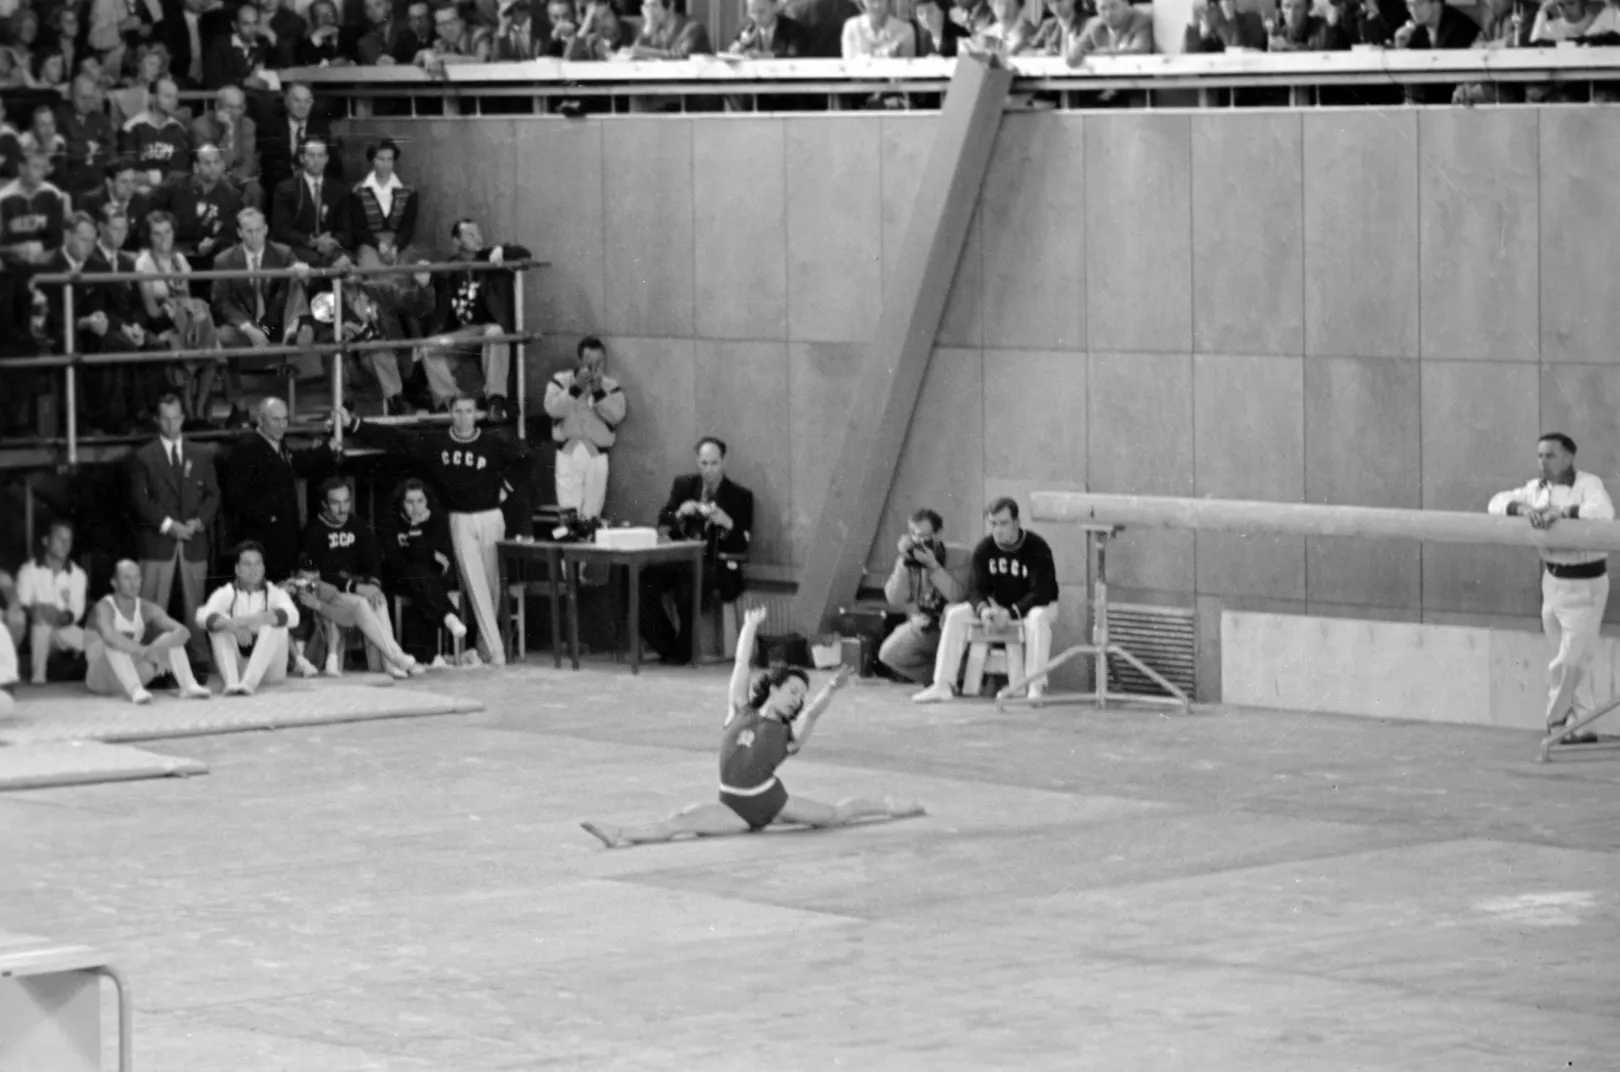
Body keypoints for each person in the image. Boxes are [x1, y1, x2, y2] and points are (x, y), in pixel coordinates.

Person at [580, 607, 924, 849]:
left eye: (800, 697)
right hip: (733, 808)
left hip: (772, 803)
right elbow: (742, 664)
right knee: (679, 822)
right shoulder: (738, 710)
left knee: (835, 815)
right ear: (772, 688)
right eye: (791, 692)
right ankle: (619, 833)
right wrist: (749, 628)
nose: (796, 701)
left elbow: (814, 715)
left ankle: (890, 806)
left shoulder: (788, 735)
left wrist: (831, 689)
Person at [337, 397, 530, 667]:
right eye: (458, 412)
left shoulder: (492, 442)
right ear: (451, 414)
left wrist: (505, 490)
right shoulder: (439, 443)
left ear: (477, 414)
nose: (464, 417)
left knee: (492, 585)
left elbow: (525, 458)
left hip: (491, 516)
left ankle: (486, 647)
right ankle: (496, 651)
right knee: (475, 585)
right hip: (460, 518)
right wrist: (355, 425)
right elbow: (397, 438)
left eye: (469, 411)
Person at [1487, 433, 1615, 742]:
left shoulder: (1589, 484)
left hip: (1585, 583)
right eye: (1540, 456)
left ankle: (1556, 723)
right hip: (1553, 581)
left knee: (1567, 660)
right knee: (1571, 657)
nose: (1544, 462)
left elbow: (1603, 513)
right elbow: (1495, 503)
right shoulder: (1534, 489)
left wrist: (1563, 514)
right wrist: (1522, 510)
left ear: (1569, 457)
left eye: (1551, 456)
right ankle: (1583, 725)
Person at [912, 497, 1059, 704]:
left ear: (1017, 522)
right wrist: (984, 611)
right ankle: (942, 685)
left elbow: (1042, 592)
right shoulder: (985, 549)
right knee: (955, 614)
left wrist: (1011, 613)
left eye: (1003, 523)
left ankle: (1035, 687)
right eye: (994, 524)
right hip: (996, 606)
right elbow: (976, 589)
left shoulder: (1037, 547)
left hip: (1036, 606)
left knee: (1038, 619)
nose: (998, 529)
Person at [641, 436, 754, 665]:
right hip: (681, 559)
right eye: (704, 463)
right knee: (642, 580)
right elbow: (664, 520)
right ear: (697, 461)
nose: (708, 470)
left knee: (689, 583)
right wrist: (681, 512)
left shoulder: (740, 496)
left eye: (714, 463)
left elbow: (743, 544)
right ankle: (667, 644)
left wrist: (727, 522)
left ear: (723, 462)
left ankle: (683, 650)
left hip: (717, 565)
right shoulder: (684, 486)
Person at [129, 393, 220, 665]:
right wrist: (169, 526)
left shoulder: (201, 454)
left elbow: (213, 495)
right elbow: (139, 500)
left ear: (183, 417)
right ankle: (149, 663)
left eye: (176, 418)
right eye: (165, 419)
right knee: (153, 607)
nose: (171, 425)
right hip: (158, 543)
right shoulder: (143, 457)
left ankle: (200, 662)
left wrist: (199, 522)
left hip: (193, 541)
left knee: (198, 608)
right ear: (157, 420)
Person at [298, 476, 415, 676]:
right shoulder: (314, 530)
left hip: (353, 589)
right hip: (328, 593)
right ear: (324, 504)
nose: (343, 509)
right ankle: (394, 655)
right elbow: (325, 573)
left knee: (378, 600)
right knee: (361, 603)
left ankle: (388, 664)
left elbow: (373, 560)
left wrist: (373, 584)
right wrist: (357, 587)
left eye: (346, 502)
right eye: (336, 503)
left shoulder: (357, 524)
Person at [421, 218, 529, 422]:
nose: (478, 238)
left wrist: (504, 253)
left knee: (496, 333)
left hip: (487, 330)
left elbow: (524, 253)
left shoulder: (489, 257)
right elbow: (430, 277)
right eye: (470, 234)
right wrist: (424, 274)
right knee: (428, 347)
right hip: (463, 335)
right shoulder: (451, 266)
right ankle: (451, 401)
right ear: (457, 241)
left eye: (478, 232)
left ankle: (496, 400)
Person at [224, 397, 338, 582]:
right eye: (275, 420)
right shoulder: (247, 447)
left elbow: (297, 461)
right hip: (262, 539)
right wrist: (269, 517)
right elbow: (237, 494)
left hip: (284, 538)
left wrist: (326, 451)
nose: (282, 425)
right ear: (261, 420)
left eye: (285, 419)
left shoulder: (277, 444)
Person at [136, 210, 225, 418]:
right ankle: (189, 412)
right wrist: (174, 313)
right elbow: (151, 311)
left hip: (182, 319)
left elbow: (187, 300)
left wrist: (181, 308)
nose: (163, 238)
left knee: (202, 325)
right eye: (157, 234)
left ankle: (200, 410)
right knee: (187, 343)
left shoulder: (179, 259)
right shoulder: (144, 263)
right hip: (158, 322)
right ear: (149, 237)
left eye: (167, 232)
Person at [87, 559, 213, 703]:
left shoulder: (146, 607)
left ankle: (189, 685)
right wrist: (143, 650)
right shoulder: (104, 607)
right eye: (126, 578)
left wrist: (157, 647)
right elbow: (109, 636)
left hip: (133, 672)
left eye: (136, 577)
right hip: (101, 679)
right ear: (114, 582)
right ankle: (134, 690)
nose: (133, 583)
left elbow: (183, 631)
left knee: (171, 636)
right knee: (115, 641)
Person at [196, 540, 301, 695]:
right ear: (237, 569)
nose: (253, 569)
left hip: (270, 671)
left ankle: (248, 685)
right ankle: (232, 684)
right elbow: (202, 616)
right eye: (247, 564)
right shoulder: (226, 592)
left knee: (273, 623)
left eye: (258, 564)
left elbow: (293, 616)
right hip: (240, 668)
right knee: (219, 622)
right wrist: (231, 625)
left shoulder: (275, 592)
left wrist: (248, 621)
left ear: (263, 567)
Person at [382, 477, 469, 661]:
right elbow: (396, 559)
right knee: (415, 573)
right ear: (401, 503)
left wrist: (417, 533)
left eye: (420, 501)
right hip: (401, 578)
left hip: (432, 579)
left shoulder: (437, 519)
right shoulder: (392, 521)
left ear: (428, 501)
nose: (416, 507)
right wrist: (426, 548)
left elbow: (442, 561)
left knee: (420, 578)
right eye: (410, 502)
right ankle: (448, 615)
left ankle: (426, 656)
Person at [543, 335, 625, 520]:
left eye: (600, 362)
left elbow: (616, 415)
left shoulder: (611, 387)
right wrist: (576, 388)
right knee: (569, 514)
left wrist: (598, 392)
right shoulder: (560, 381)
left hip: (597, 454)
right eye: (590, 363)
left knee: (592, 515)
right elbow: (552, 408)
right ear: (580, 361)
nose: (595, 367)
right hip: (568, 452)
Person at [878, 508, 961, 686]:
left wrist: (933, 566)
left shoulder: (960, 557)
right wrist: (904, 562)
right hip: (926, 625)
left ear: (939, 534)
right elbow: (894, 597)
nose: (919, 542)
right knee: (889, 654)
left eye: (924, 536)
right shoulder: (909, 560)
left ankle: (955, 678)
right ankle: (941, 682)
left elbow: (957, 595)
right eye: (914, 536)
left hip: (954, 629)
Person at [16, 517, 90, 684]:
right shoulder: (28, 570)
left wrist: (61, 617)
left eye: (69, 540)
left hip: (62, 630)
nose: (65, 544)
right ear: (46, 540)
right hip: (34, 634)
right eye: (59, 538)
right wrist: (36, 611)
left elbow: (77, 610)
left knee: (97, 642)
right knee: (41, 621)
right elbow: (22, 603)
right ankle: (38, 680)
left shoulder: (78, 575)